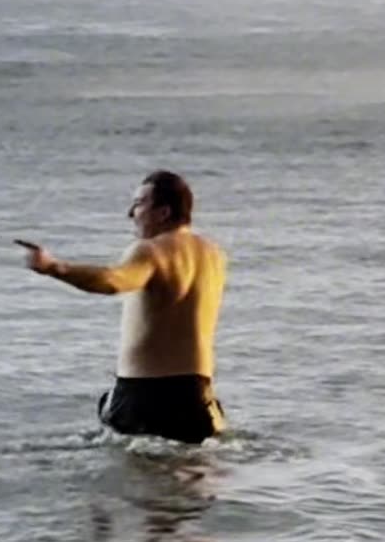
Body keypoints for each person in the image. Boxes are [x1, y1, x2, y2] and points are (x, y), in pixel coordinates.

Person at [16, 170, 228, 444]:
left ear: (163, 212)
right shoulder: (214, 254)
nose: (131, 213)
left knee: (133, 482)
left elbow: (114, 281)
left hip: (146, 396)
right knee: (191, 480)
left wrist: (54, 268)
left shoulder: (150, 250)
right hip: (198, 396)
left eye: (139, 203)